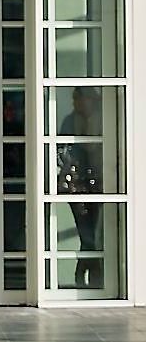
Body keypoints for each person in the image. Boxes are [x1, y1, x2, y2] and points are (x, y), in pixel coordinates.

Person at [58, 87, 103, 288]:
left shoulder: (104, 120)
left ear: (91, 100)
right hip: (76, 186)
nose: (76, 103)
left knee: (93, 234)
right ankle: (92, 276)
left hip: (100, 184)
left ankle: (88, 275)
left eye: (80, 99)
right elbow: (62, 150)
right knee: (86, 232)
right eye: (75, 99)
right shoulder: (70, 121)